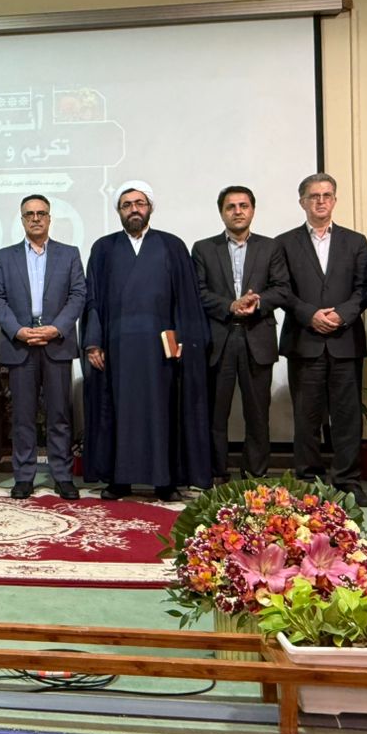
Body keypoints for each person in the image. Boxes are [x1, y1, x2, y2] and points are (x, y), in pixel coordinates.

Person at [82, 181, 211, 500]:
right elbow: (92, 299)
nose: (134, 209)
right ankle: (119, 481)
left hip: (160, 350)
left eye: (139, 203)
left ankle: (164, 481)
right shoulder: (103, 248)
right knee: (118, 412)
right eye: (127, 205)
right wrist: (94, 342)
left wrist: (182, 340)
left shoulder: (172, 245)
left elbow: (185, 299)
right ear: (119, 211)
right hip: (117, 349)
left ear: (150, 207)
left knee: (162, 411)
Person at [275, 173, 367, 506]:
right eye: (314, 196)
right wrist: (310, 314)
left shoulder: (355, 241)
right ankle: (308, 482)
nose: (320, 201)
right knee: (307, 417)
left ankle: (348, 481)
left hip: (345, 341)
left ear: (334, 200)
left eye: (326, 195)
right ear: (302, 202)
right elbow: (282, 290)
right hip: (305, 340)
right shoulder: (284, 243)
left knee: (347, 417)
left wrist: (341, 315)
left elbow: (364, 288)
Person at [0, 194, 86, 499]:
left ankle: (62, 476)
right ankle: (24, 477)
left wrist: (56, 328)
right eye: (29, 214)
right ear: (22, 220)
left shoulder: (69, 254)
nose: (35, 218)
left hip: (56, 343)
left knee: (59, 415)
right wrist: (17, 331)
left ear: (49, 218)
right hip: (21, 346)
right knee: (22, 416)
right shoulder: (4, 257)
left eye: (41, 213)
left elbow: (78, 294)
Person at [191, 186, 290, 482]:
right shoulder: (203, 248)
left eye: (243, 205)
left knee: (257, 413)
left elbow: (282, 289)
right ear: (221, 212)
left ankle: (255, 474)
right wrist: (230, 305)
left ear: (252, 210)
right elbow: (198, 291)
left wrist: (256, 303)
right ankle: (215, 474)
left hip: (257, 336)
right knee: (215, 413)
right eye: (231, 206)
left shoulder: (270, 247)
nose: (237, 211)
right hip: (219, 339)